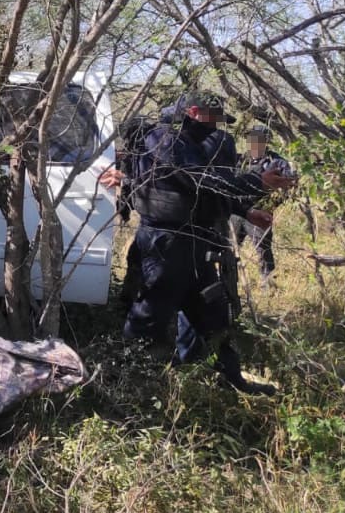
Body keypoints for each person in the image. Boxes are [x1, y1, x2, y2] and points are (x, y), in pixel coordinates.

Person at [101, 91, 296, 394]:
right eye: (214, 118)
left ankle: (225, 382)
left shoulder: (204, 144)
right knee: (149, 316)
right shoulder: (162, 139)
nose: (218, 126)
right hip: (166, 245)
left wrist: (245, 210)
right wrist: (256, 182)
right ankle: (122, 387)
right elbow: (197, 179)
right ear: (193, 112)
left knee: (214, 320)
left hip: (200, 245)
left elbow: (205, 193)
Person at [229, 125, 292, 280]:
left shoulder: (277, 163)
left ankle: (268, 284)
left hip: (260, 213)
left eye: (258, 139)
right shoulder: (239, 160)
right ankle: (230, 281)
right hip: (237, 212)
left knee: (263, 250)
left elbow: (288, 187)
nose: (254, 143)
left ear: (266, 141)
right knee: (230, 248)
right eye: (251, 139)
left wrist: (267, 206)